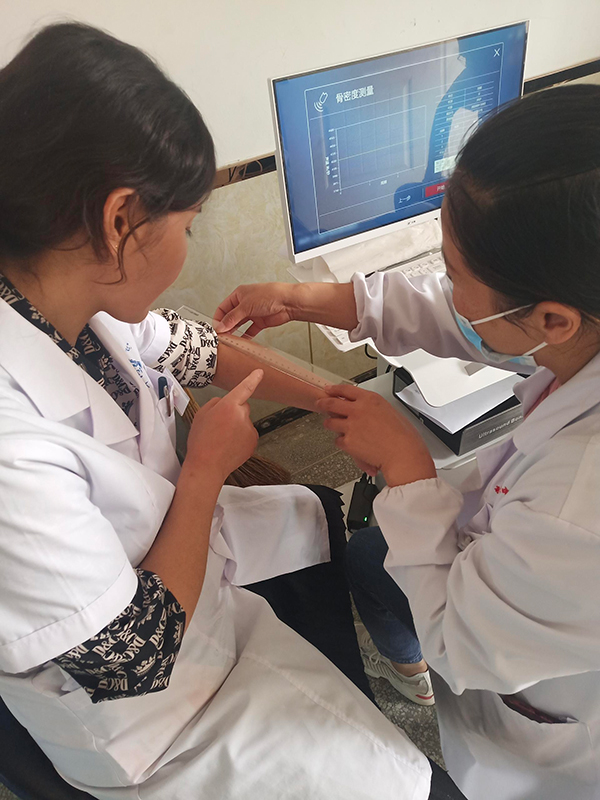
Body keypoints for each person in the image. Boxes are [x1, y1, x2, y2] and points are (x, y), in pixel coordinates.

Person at [0, 22, 469, 800]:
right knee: (406, 782)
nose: (189, 242)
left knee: (310, 517)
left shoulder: (63, 301)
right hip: (155, 716)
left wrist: (333, 401)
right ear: (119, 221)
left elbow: (195, 350)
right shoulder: (11, 447)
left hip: (196, 586)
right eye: (188, 225)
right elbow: (133, 658)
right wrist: (206, 470)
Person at [215, 84, 600, 800]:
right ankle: (409, 669)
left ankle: (419, 674)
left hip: (550, 733)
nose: (446, 291)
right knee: (369, 558)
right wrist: (305, 299)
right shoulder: (577, 310)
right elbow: (472, 320)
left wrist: (406, 467)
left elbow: (464, 643)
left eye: (453, 273)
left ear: (554, 319)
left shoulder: (579, 510)